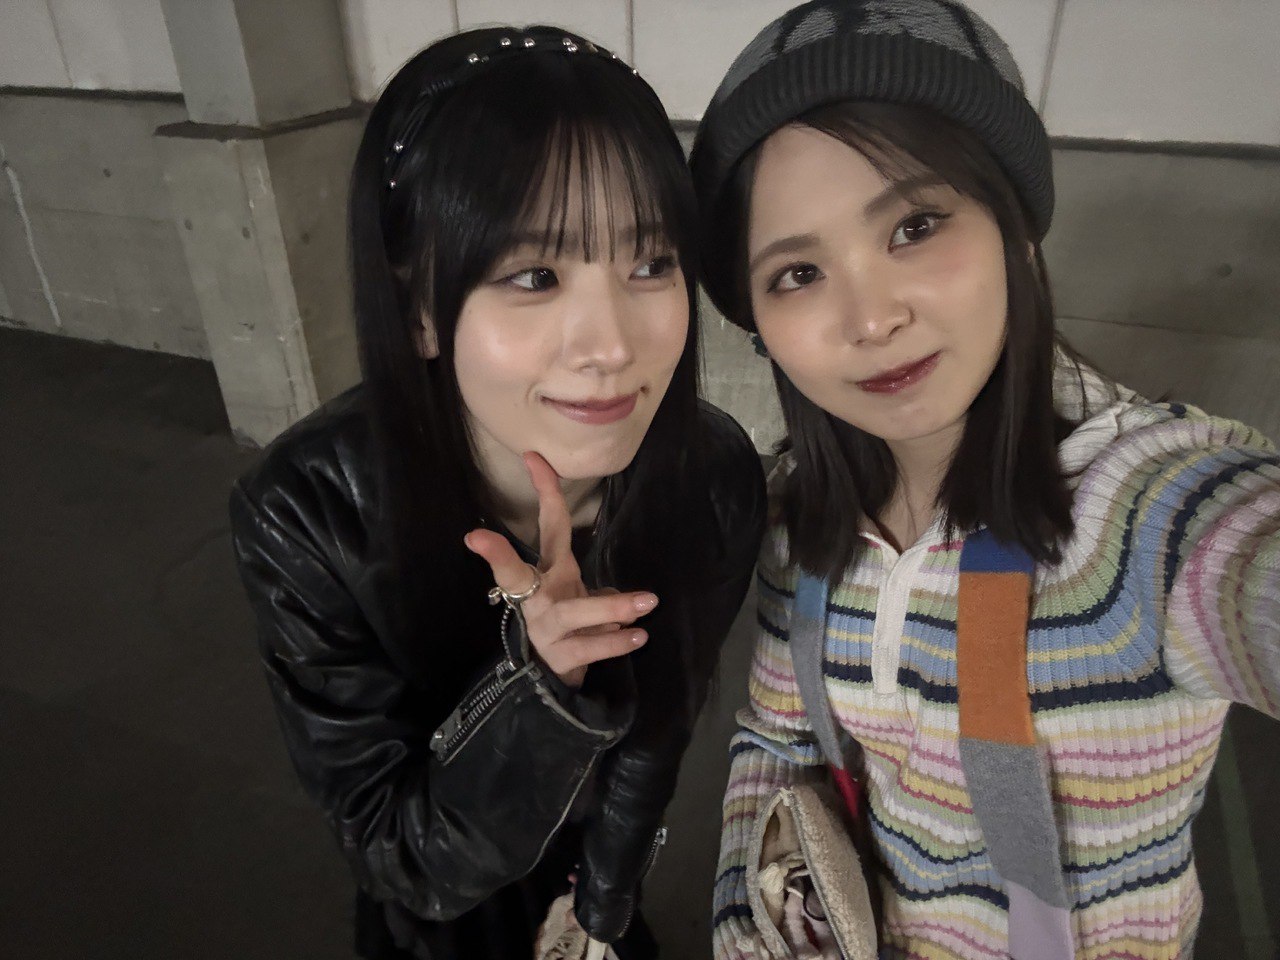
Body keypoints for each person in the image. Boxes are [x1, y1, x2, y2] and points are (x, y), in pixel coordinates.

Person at [689, 2, 1280, 958]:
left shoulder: (1145, 507)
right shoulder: (801, 520)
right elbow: (777, 743)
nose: (871, 318)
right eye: (797, 274)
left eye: (915, 225)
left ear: (1017, 233)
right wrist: (755, 931)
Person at [230, 24, 765, 960]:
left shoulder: (708, 478)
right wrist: (539, 690)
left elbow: (659, 734)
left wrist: (602, 911)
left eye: (650, 264)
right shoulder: (310, 510)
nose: (612, 346)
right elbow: (402, 854)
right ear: (420, 310)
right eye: (535, 275)